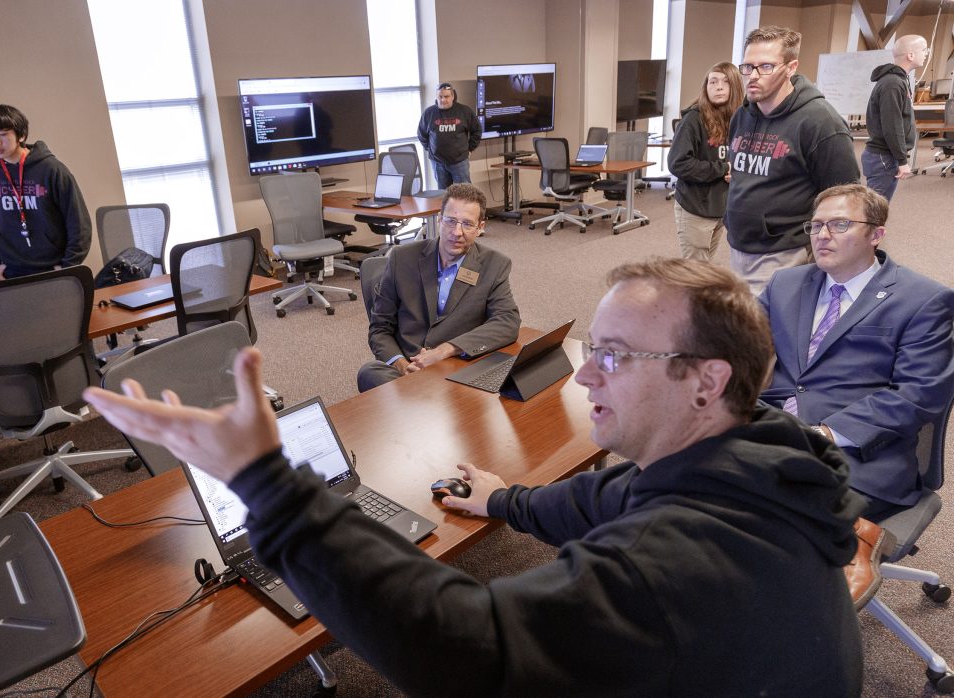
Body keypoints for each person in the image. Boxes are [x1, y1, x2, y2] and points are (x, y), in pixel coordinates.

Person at [84, 258, 864, 696]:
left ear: (706, 379)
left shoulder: (671, 563)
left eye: (618, 355)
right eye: (595, 345)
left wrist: (267, 486)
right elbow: (605, 495)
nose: (586, 373)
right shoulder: (757, 455)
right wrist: (508, 499)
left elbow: (467, 650)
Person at [760, 183, 954, 521]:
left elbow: (918, 393)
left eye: (839, 224)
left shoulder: (922, 300)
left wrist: (824, 434)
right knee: (680, 480)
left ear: (876, 234)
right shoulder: (785, 284)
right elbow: (735, 347)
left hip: (857, 455)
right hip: (770, 430)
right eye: (816, 225)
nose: (822, 235)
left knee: (763, 511)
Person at [725, 26, 860, 294]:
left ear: (791, 67)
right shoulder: (743, 114)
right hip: (740, 245)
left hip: (785, 250)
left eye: (765, 67)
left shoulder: (821, 122)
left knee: (767, 330)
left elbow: (845, 198)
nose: (753, 76)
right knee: (745, 324)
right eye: (747, 66)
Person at [356, 183, 520, 392]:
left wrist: (445, 350)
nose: (457, 232)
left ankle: (419, 403)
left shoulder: (494, 265)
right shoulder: (401, 258)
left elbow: (508, 321)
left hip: (458, 368)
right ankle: (418, 397)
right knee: (370, 372)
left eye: (467, 224)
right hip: (407, 368)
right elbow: (380, 329)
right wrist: (403, 367)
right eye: (450, 221)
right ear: (440, 219)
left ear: (480, 227)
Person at [0, 104, 91, 280]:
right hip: (10, 270)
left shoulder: (52, 170)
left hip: (53, 268)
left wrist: (69, 266)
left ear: (21, 135)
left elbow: (79, 224)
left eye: (3, 134)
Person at [667, 62, 743, 261]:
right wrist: (722, 168)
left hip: (720, 207)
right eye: (713, 82)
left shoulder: (740, 119)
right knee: (695, 272)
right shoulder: (693, 119)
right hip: (695, 207)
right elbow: (678, 163)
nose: (718, 86)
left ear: (735, 86)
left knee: (705, 266)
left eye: (725, 82)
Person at [862, 35, 930, 201]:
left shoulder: (899, 80)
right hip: (883, 157)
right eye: (924, 50)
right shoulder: (892, 83)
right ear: (910, 55)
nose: (926, 54)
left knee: (876, 210)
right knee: (875, 211)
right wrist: (902, 160)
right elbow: (892, 125)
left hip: (885, 155)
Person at [417, 82, 481, 189]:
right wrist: (430, 149)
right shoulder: (429, 113)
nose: (443, 100)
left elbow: (477, 130)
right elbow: (421, 134)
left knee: (464, 194)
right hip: (438, 163)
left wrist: (470, 148)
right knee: (444, 195)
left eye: (446, 96)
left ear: (453, 96)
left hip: (459, 162)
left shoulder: (464, 111)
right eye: (440, 97)